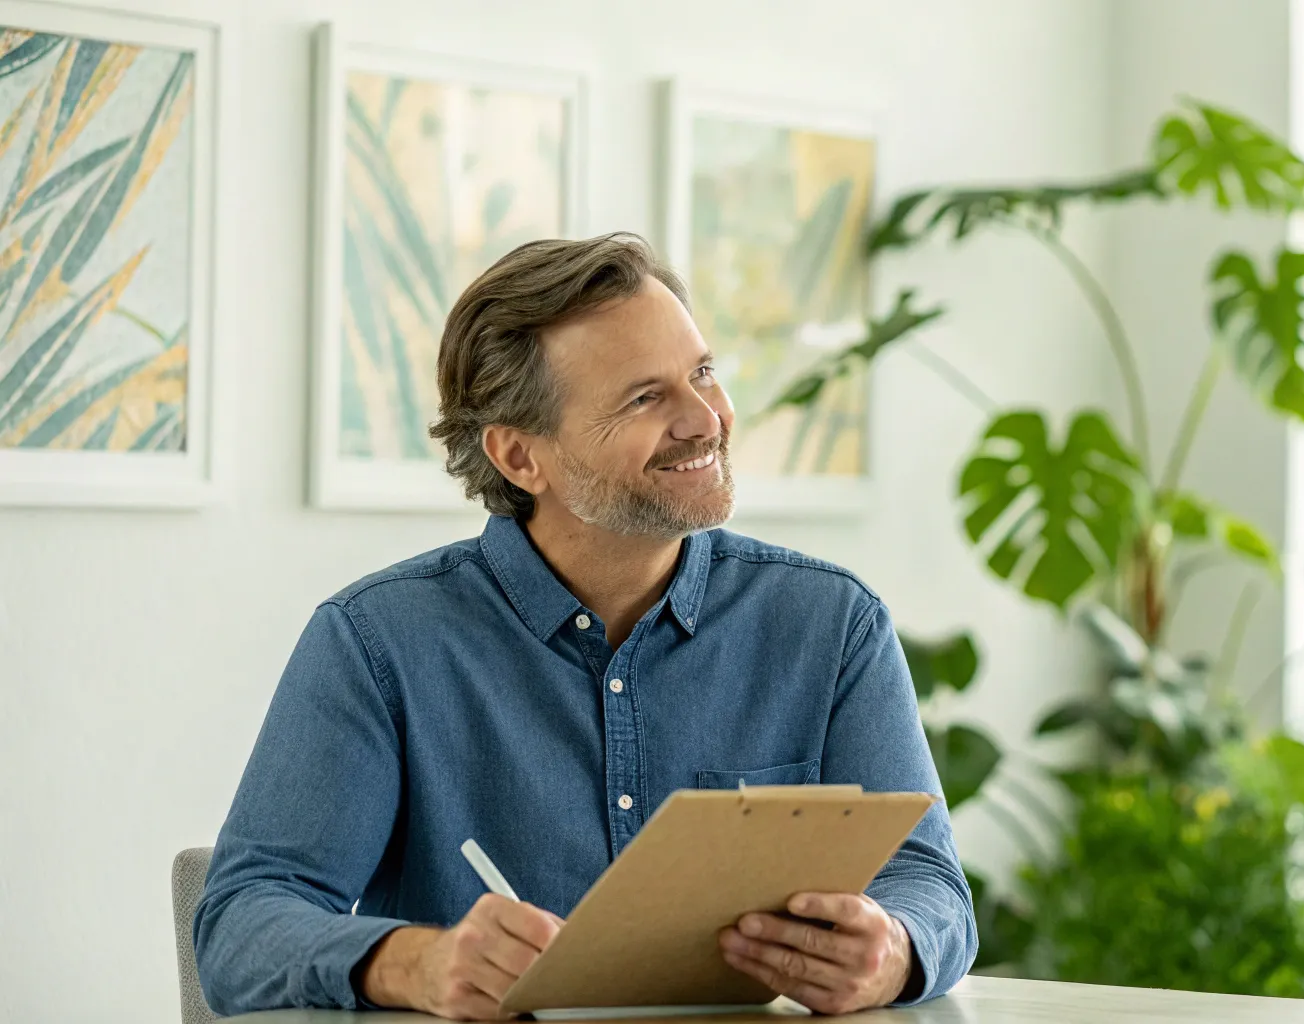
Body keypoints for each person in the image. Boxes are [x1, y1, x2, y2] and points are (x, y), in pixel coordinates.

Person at [195, 234, 975, 1019]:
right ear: (519, 455)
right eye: (645, 398)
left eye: (702, 372)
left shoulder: (832, 625)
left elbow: (927, 883)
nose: (705, 419)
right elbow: (240, 924)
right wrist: (416, 963)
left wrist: (893, 948)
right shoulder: (377, 644)